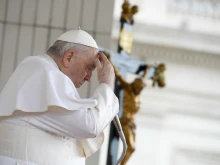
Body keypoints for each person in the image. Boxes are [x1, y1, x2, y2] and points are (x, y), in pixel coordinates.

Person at [0, 29, 119, 165]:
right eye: (88, 68)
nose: (89, 78)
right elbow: (90, 126)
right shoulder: (44, 71)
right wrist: (107, 85)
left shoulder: (44, 70)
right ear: (69, 57)